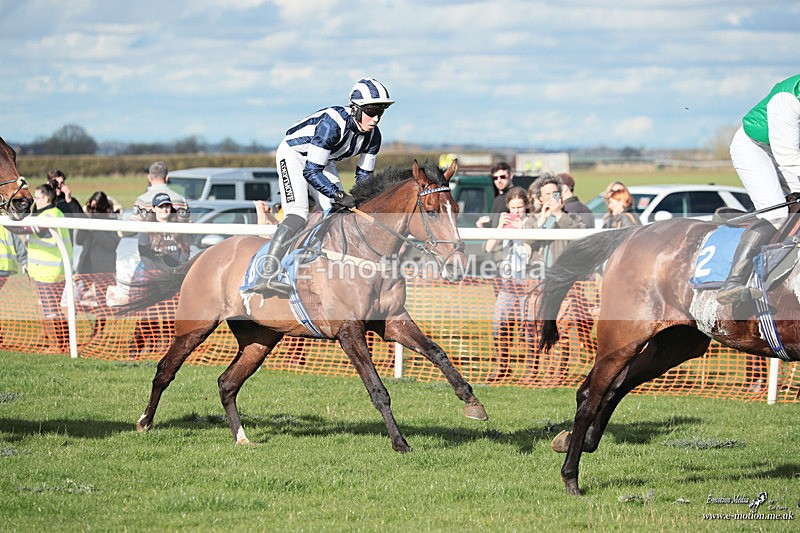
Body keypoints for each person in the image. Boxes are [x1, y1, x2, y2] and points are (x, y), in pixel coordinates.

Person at [248, 77, 394, 295]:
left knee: (336, 211)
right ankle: (266, 273)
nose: (375, 119)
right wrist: (338, 193)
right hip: (295, 155)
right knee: (298, 213)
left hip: (323, 161)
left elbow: (364, 176)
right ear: (355, 109)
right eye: (371, 111)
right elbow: (310, 171)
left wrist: (360, 201)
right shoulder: (332, 124)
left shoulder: (374, 136)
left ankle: (314, 259)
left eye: (380, 112)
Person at [717, 74, 800, 304]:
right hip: (754, 148)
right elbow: (788, 157)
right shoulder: (787, 99)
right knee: (776, 214)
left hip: (786, 151)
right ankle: (733, 281)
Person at [129, 193, 191, 359]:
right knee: (149, 316)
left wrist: (176, 273)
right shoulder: (147, 228)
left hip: (172, 278)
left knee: (171, 317)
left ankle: (166, 348)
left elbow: (185, 252)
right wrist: (155, 274)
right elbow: (145, 256)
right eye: (161, 206)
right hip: (154, 278)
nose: (165, 209)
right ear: (154, 209)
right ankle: (136, 346)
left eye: (167, 206)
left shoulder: (179, 227)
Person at [483, 187, 532, 382]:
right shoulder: (504, 223)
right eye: (513, 208)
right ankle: (502, 365)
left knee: (528, 328)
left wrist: (521, 231)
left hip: (527, 282)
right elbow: (488, 247)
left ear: (526, 206)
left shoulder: (531, 223)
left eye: (520, 207)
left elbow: (529, 252)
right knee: (499, 324)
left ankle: (531, 369)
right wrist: (500, 228)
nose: (516, 212)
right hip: (507, 283)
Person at [23, 183, 72, 352]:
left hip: (49, 272)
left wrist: (9, 222)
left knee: (50, 310)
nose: (35, 201)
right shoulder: (53, 213)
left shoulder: (49, 215)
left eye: (36, 197)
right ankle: (64, 343)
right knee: (53, 308)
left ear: (45, 198)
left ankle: (57, 345)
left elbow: (28, 229)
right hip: (52, 270)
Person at [75, 192, 121, 338]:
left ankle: (99, 331)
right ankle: (67, 330)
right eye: (91, 208)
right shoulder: (88, 220)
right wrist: (85, 224)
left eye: (95, 209)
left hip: (103, 268)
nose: (92, 212)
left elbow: (112, 243)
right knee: (73, 297)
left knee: (101, 302)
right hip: (86, 267)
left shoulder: (111, 220)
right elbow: (79, 240)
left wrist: (94, 228)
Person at [476, 162, 515, 228]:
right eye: (495, 178)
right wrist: (483, 225)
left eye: (502, 177)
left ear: (510, 175)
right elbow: (494, 225)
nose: (499, 181)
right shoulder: (498, 198)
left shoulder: (515, 196)